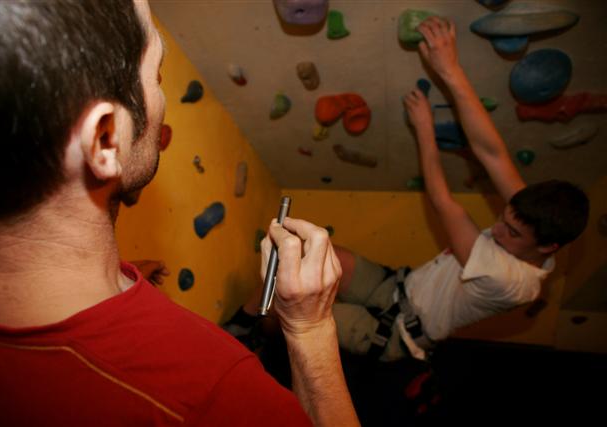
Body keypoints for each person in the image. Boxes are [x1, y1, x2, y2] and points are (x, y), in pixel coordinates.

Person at [0, 1, 359, 426]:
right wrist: (310, 327)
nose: (162, 98)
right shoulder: (214, 393)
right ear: (105, 140)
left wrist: (120, 279)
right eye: (156, 76)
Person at [224, 17, 590, 363]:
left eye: (512, 232)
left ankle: (249, 337)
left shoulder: (508, 281)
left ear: (548, 247)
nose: (496, 229)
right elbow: (491, 152)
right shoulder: (534, 216)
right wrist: (450, 69)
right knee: (308, 255)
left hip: (398, 332)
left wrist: (424, 128)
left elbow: (443, 202)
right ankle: (245, 317)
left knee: (288, 305)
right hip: (398, 286)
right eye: (504, 219)